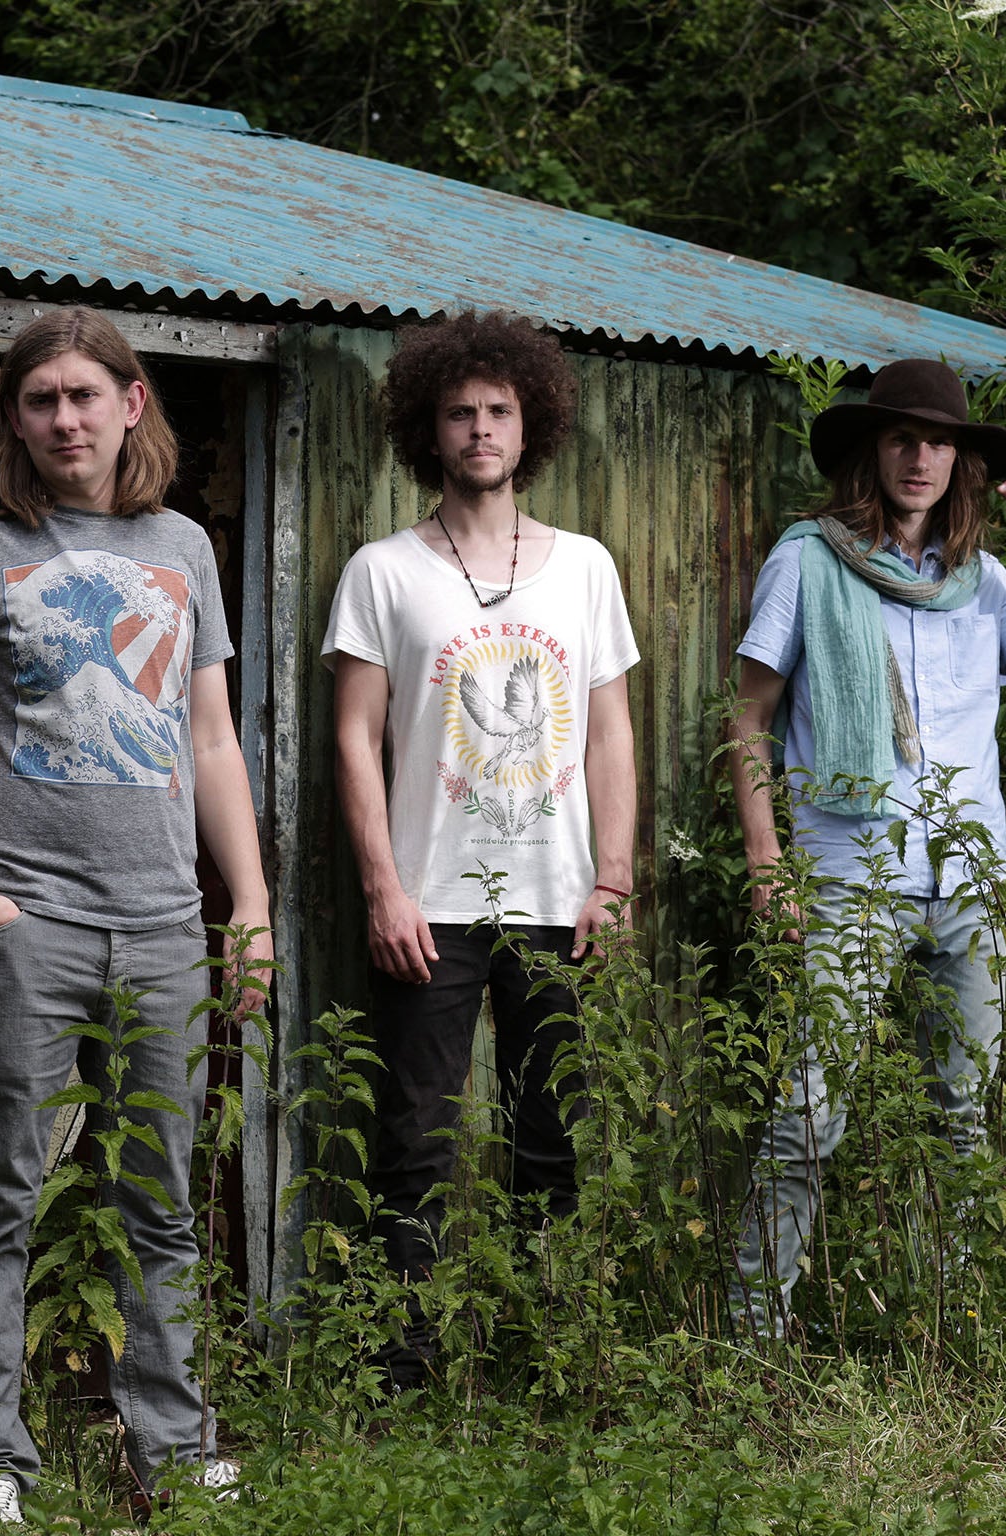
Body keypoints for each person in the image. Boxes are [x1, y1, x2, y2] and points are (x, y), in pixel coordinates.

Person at [0, 307, 269, 1523]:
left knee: (157, 1198)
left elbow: (210, 741)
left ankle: (169, 1443)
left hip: (163, 924)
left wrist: (246, 904)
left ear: (131, 404)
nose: (64, 419)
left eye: (83, 395)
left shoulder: (182, 547)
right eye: (40, 399)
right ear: (12, 418)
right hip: (28, 922)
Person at [724, 357, 1006, 1337]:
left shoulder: (984, 584)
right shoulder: (808, 561)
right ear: (871, 452)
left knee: (958, 1119)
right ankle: (752, 1338)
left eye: (937, 443)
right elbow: (748, 720)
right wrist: (766, 863)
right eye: (900, 439)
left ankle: (946, 1331)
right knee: (808, 1113)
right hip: (850, 883)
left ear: (961, 462)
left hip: (968, 885)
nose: (919, 458)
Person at [321, 311, 640, 1387]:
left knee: (549, 1134)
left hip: (557, 900)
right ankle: (404, 1368)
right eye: (458, 412)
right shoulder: (382, 571)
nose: (479, 429)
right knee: (413, 1140)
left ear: (530, 423)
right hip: (431, 904)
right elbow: (354, 739)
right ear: (429, 430)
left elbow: (608, 732)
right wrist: (383, 888)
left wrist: (613, 878)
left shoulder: (584, 567)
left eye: (498, 410)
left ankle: (544, 1353)